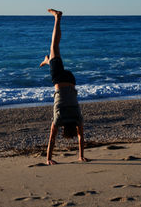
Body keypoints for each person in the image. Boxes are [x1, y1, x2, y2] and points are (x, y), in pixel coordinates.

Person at [40, 9, 89, 165]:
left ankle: (47, 61)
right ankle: (57, 17)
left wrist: (81, 155)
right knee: (54, 44)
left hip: (71, 80)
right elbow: (51, 139)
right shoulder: (59, 119)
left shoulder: (77, 119)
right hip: (59, 80)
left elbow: (81, 138)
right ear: (63, 128)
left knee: (54, 57)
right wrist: (48, 158)